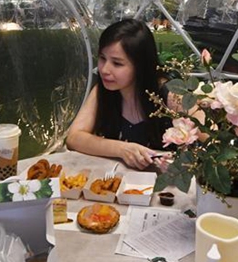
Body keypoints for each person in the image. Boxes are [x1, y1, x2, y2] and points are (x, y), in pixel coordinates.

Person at [66, 19, 174, 170]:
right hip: (116, 181)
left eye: (117, 63)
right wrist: (121, 149)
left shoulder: (169, 94)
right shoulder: (102, 90)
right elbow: (74, 138)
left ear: (140, 66)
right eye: (102, 58)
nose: (104, 70)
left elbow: (205, 139)